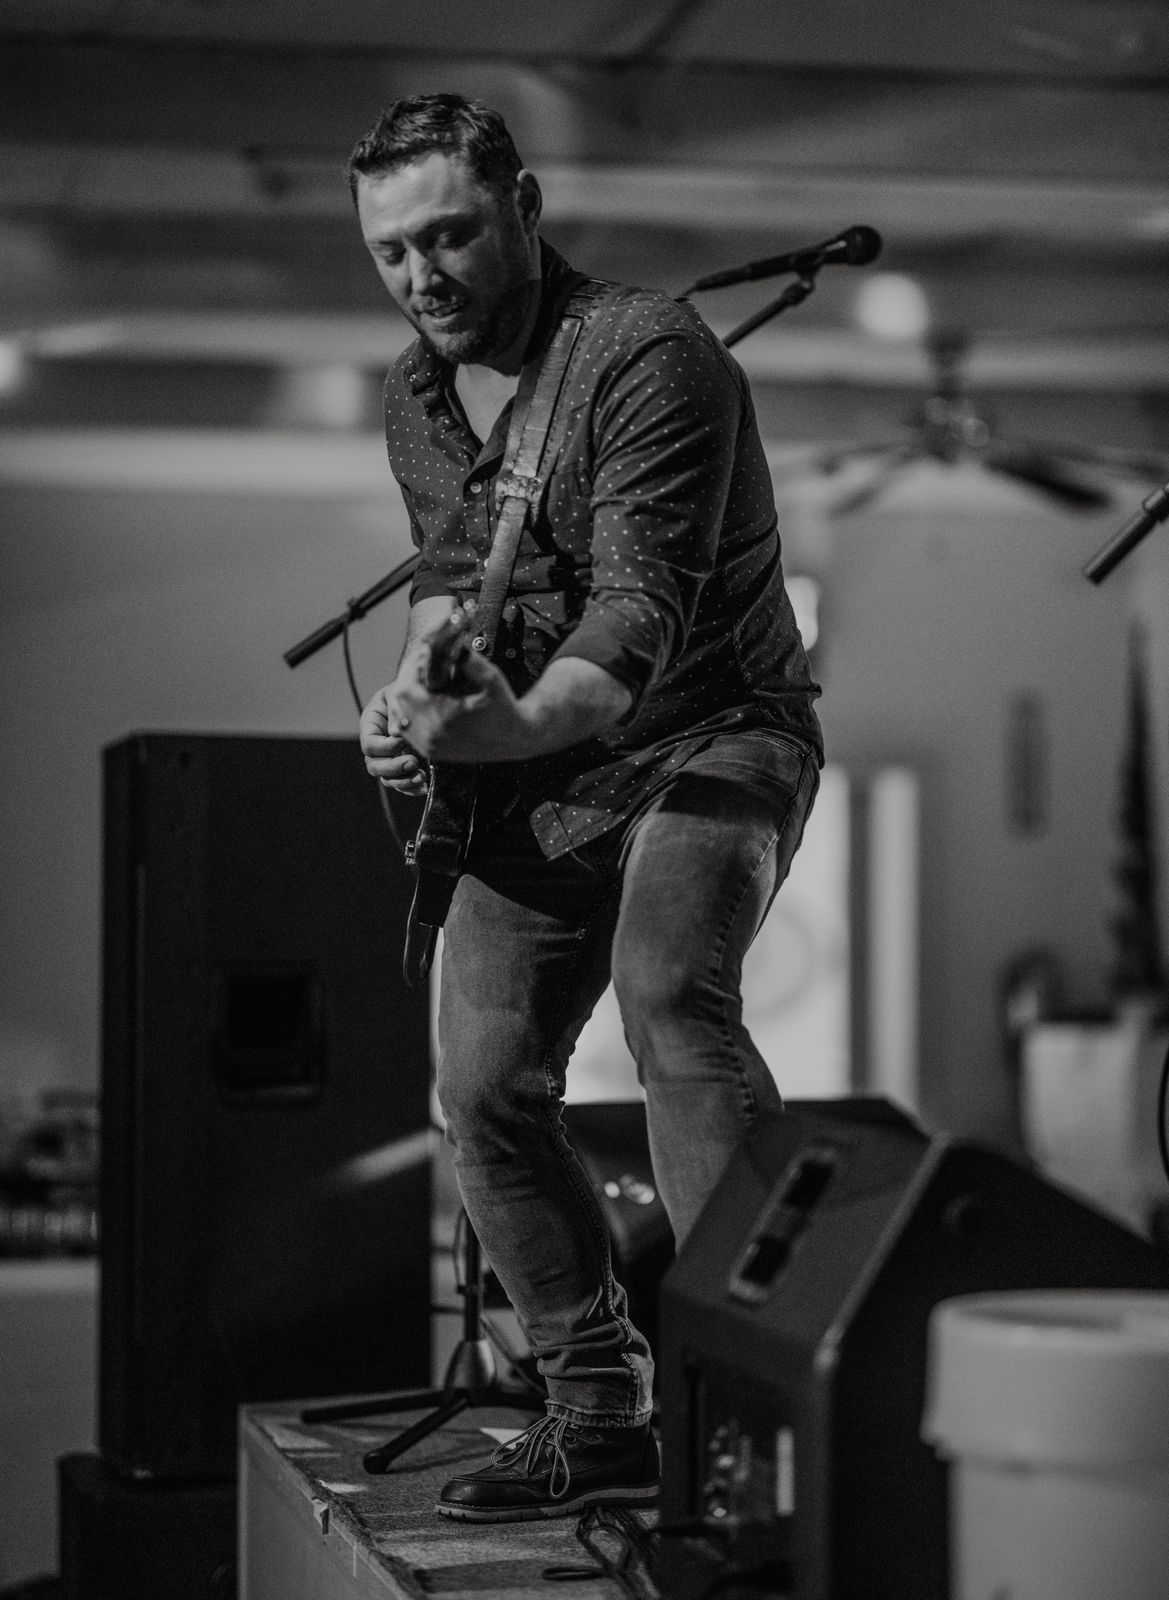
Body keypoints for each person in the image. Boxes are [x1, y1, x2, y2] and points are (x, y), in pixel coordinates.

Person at [355, 93, 823, 1523]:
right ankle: (598, 1409)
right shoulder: (415, 395)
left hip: (714, 735)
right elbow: (451, 583)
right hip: (542, 777)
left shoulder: (648, 354)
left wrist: (495, 727)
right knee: (482, 1087)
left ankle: (759, 1406)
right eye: (390, 251)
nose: (421, 275)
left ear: (524, 207)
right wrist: (415, 702)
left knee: (670, 992)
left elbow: (632, 626)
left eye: (448, 235)